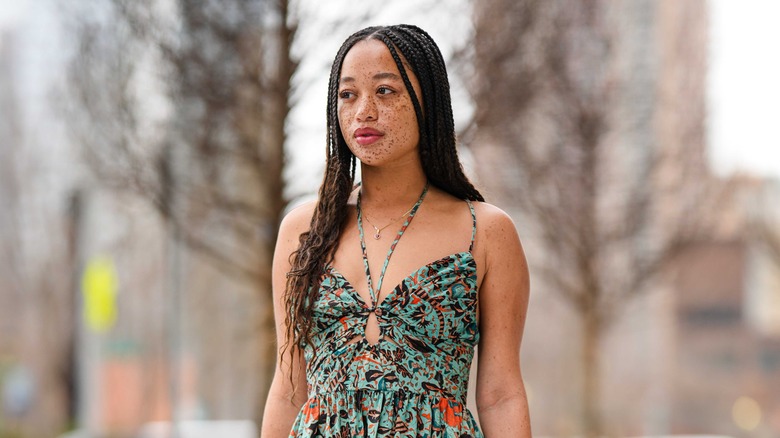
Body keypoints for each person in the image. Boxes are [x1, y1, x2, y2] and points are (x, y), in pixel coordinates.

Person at [261, 24, 531, 437]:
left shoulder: (486, 231)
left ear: (429, 102)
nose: (363, 111)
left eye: (385, 91)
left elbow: (500, 394)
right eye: (347, 94)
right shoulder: (303, 230)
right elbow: (288, 390)